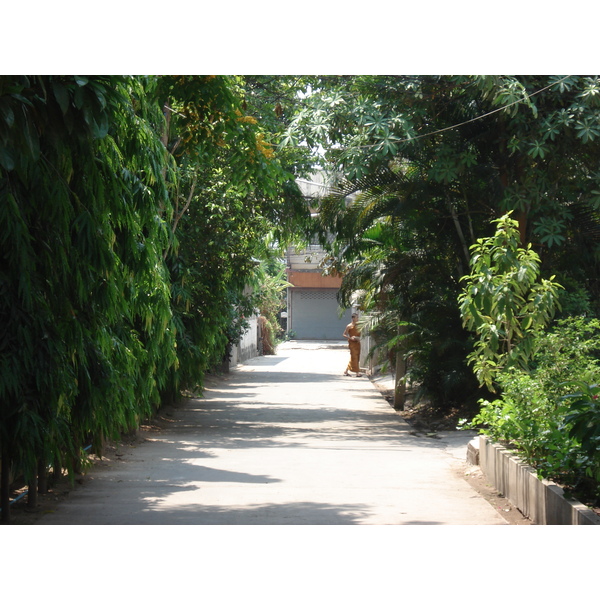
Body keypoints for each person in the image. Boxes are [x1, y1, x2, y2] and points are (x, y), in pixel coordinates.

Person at [343, 313, 362, 377]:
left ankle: (346, 371)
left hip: (357, 343)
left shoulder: (359, 325)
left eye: (357, 317)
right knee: (354, 357)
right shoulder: (349, 326)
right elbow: (344, 334)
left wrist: (358, 338)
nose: (357, 319)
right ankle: (357, 373)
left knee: (355, 357)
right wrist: (350, 338)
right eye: (356, 318)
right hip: (352, 343)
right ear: (353, 318)